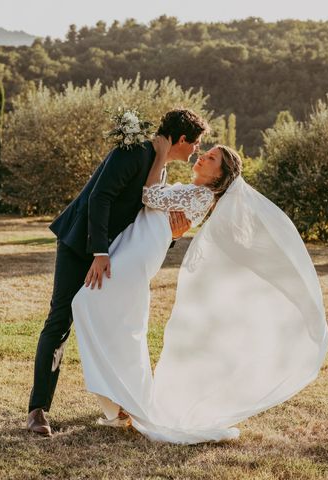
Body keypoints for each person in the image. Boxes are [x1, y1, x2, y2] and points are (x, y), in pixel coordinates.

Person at [72, 136, 328, 444]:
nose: (202, 157)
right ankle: (117, 407)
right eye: (205, 153)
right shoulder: (193, 191)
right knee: (102, 317)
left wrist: (160, 154)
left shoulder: (201, 197)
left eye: (211, 158)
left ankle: (120, 406)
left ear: (220, 176)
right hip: (132, 255)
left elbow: (150, 196)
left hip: (134, 262)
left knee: (89, 307)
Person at [27, 109, 209, 436]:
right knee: (60, 320)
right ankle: (38, 410)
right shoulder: (132, 153)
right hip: (79, 244)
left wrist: (173, 235)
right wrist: (98, 252)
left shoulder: (159, 171)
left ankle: (119, 397)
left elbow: (144, 225)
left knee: (117, 323)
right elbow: (100, 198)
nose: (196, 150)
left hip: (114, 255)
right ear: (182, 139)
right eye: (195, 144)